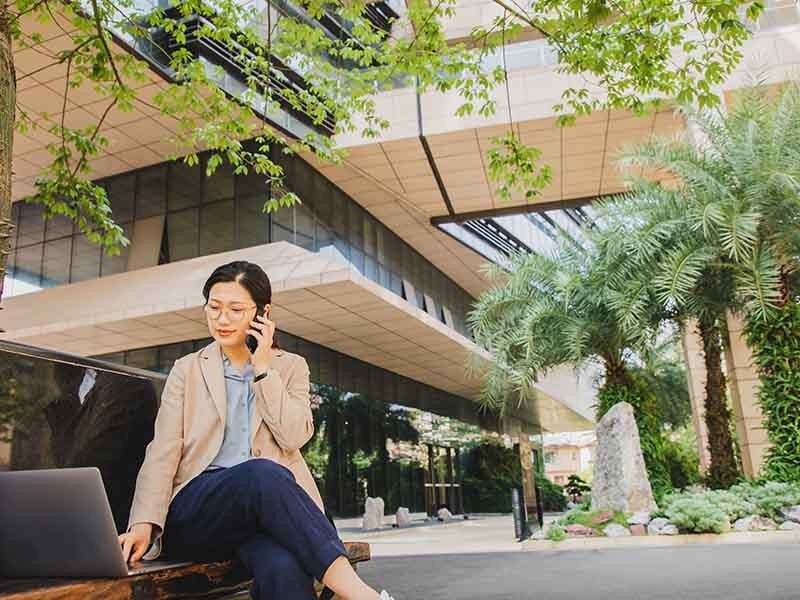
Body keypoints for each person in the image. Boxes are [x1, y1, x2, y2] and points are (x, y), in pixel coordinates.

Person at [118, 261, 393, 600]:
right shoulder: (187, 370)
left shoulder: (290, 367)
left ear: (263, 313)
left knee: (283, 568)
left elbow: (293, 437)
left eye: (235, 309)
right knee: (262, 474)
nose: (221, 319)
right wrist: (143, 523)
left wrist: (263, 370)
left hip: (262, 517)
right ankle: (361, 595)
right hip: (199, 511)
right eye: (214, 308)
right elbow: (163, 449)